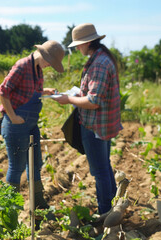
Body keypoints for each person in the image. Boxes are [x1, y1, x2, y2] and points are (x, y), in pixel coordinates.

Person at [54, 23, 122, 214]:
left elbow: (93, 101)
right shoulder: (101, 58)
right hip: (102, 123)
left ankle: (105, 212)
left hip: (95, 125)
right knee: (104, 167)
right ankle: (113, 207)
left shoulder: (99, 64)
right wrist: (77, 93)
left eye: (78, 44)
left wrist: (68, 99)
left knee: (99, 171)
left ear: (86, 43)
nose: (76, 48)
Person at [0, 40, 64, 217]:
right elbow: (3, 91)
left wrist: (45, 91)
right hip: (16, 124)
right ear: (42, 53)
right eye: (50, 61)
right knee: (16, 167)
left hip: (31, 124)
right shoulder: (21, 66)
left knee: (35, 165)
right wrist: (12, 116)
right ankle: (9, 212)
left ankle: (39, 203)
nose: (49, 65)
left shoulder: (38, 69)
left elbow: (27, 91)